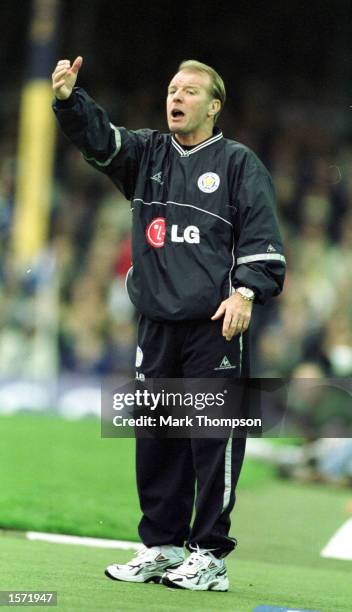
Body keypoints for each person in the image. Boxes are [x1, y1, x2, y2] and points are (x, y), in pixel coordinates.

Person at [52, 56, 286, 591]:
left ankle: (210, 556)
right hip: (156, 324)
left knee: (213, 437)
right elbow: (100, 141)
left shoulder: (238, 163)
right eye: (172, 89)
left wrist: (247, 291)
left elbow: (264, 239)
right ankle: (161, 545)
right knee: (156, 437)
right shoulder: (147, 154)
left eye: (189, 91)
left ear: (214, 105)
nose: (175, 97)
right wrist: (69, 100)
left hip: (214, 326)